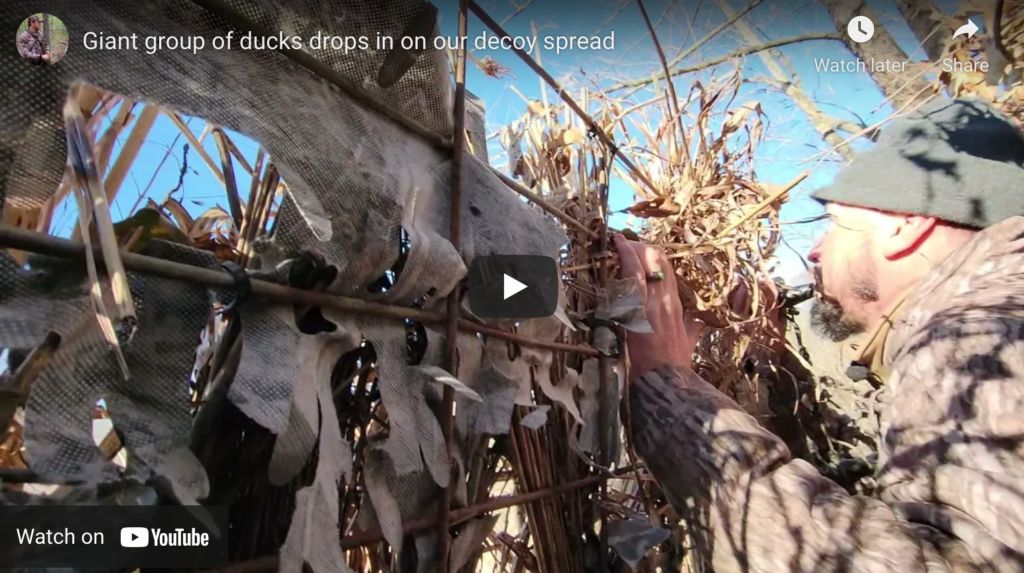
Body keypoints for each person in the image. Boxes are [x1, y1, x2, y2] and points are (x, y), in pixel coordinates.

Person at [619, 98, 1024, 572]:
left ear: (905, 226)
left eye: (834, 223)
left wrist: (665, 389)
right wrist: (775, 351)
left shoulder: (981, 340)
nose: (814, 250)